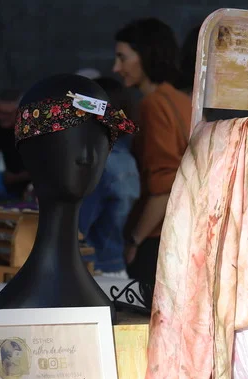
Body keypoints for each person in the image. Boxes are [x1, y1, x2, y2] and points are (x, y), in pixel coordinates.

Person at [113, 18, 192, 291]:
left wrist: (134, 240)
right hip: (180, 235)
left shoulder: (154, 105)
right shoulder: (181, 101)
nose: (116, 68)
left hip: (156, 239)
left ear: (145, 55)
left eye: (122, 57)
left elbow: (164, 186)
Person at [79, 77, 141, 276]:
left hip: (92, 270)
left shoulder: (100, 164)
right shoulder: (126, 159)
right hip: (114, 266)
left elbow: (77, 229)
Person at [0, 89, 30, 201]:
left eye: (8, 113)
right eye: (0, 112)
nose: (2, 117)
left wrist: (18, 177)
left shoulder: (31, 129)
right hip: (0, 189)